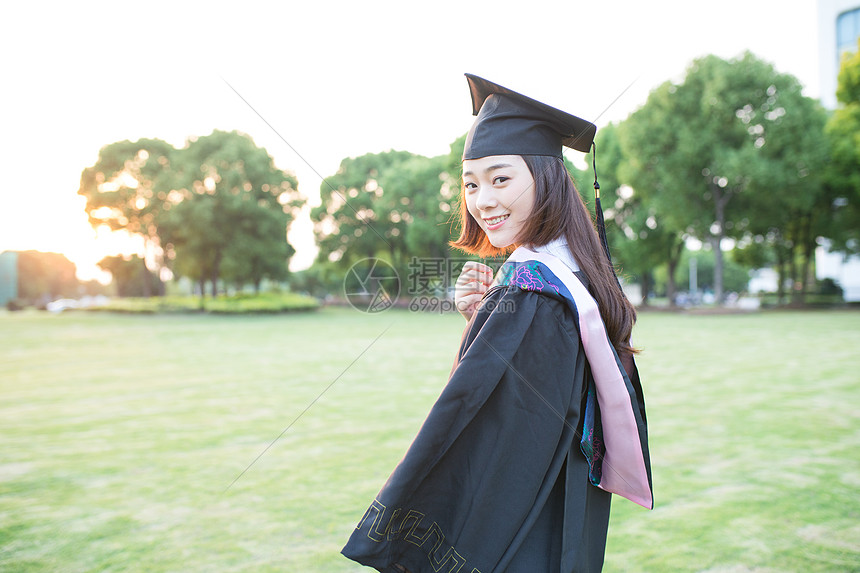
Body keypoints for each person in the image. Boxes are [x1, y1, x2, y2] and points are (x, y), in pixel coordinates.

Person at [342, 74, 652, 572]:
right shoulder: (573, 271)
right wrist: (480, 319)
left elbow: (483, 421)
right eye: (470, 183)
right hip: (565, 510)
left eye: (500, 178)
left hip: (525, 524)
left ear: (546, 176)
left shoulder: (533, 291)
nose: (482, 200)